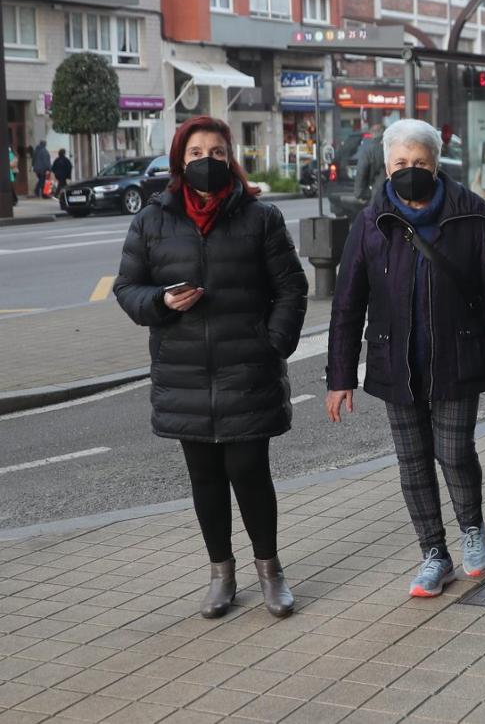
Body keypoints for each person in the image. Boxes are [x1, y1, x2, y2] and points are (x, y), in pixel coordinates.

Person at [113, 116, 308, 620]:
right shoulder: (152, 220)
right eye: (197, 152)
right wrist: (160, 300)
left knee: (249, 471)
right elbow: (127, 289)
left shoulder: (260, 217)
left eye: (218, 153)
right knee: (204, 476)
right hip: (184, 373)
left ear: (230, 159)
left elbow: (291, 286)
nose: (207, 161)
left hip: (247, 366)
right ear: (180, 160)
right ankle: (221, 574)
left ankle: (271, 571)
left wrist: (274, 344)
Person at [326, 119, 485, 598]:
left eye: (419, 163)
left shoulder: (470, 213)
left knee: (453, 453)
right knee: (412, 461)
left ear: (435, 165)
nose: (409, 171)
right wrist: (340, 375)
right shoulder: (370, 222)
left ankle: (472, 529)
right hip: (396, 361)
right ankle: (434, 553)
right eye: (400, 164)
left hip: (456, 353)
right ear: (386, 166)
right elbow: (347, 302)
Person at [353, 122, 387, 203]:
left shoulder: (369, 150)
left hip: (377, 191)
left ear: (371, 134)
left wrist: (360, 193)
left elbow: (362, 171)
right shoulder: (391, 147)